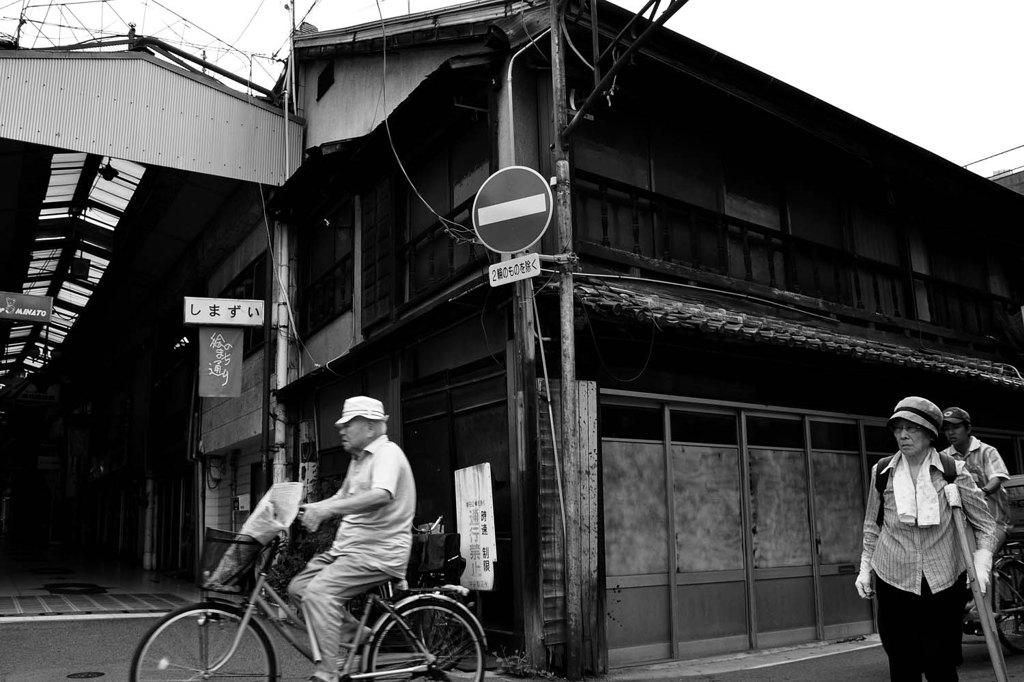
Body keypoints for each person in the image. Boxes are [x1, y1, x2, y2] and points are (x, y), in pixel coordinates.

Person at [856, 396, 996, 682]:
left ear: (930, 433)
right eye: (897, 429)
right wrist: (864, 568)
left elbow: (985, 525)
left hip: (942, 580)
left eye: (912, 428)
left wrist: (982, 564)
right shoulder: (882, 472)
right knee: (902, 664)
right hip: (893, 577)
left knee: (940, 664)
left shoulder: (953, 471)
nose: (903, 435)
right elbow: (872, 525)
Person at [288, 396, 416, 682]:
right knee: (298, 588)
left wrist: (328, 509)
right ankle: (363, 639)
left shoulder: (387, 454)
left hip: (377, 552)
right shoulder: (357, 461)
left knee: (320, 593)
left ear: (370, 427)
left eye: (348, 424)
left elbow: (381, 495)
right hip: (348, 550)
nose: (341, 430)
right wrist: (313, 509)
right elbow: (342, 497)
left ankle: (327, 673)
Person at [940, 406, 1011, 553]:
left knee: (981, 559)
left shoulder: (987, 451)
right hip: (962, 525)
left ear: (968, 428)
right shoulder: (943, 458)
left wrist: (981, 492)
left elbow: (997, 478)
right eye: (946, 428)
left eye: (956, 427)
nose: (951, 432)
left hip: (994, 523)